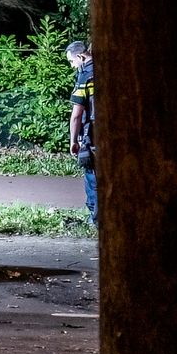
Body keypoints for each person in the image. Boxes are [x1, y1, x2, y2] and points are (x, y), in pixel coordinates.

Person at [67, 41, 97, 227]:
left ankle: (96, 219)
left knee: (92, 176)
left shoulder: (85, 75)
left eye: (71, 61)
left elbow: (76, 115)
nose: (72, 66)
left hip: (93, 134)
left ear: (80, 57)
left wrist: (73, 141)